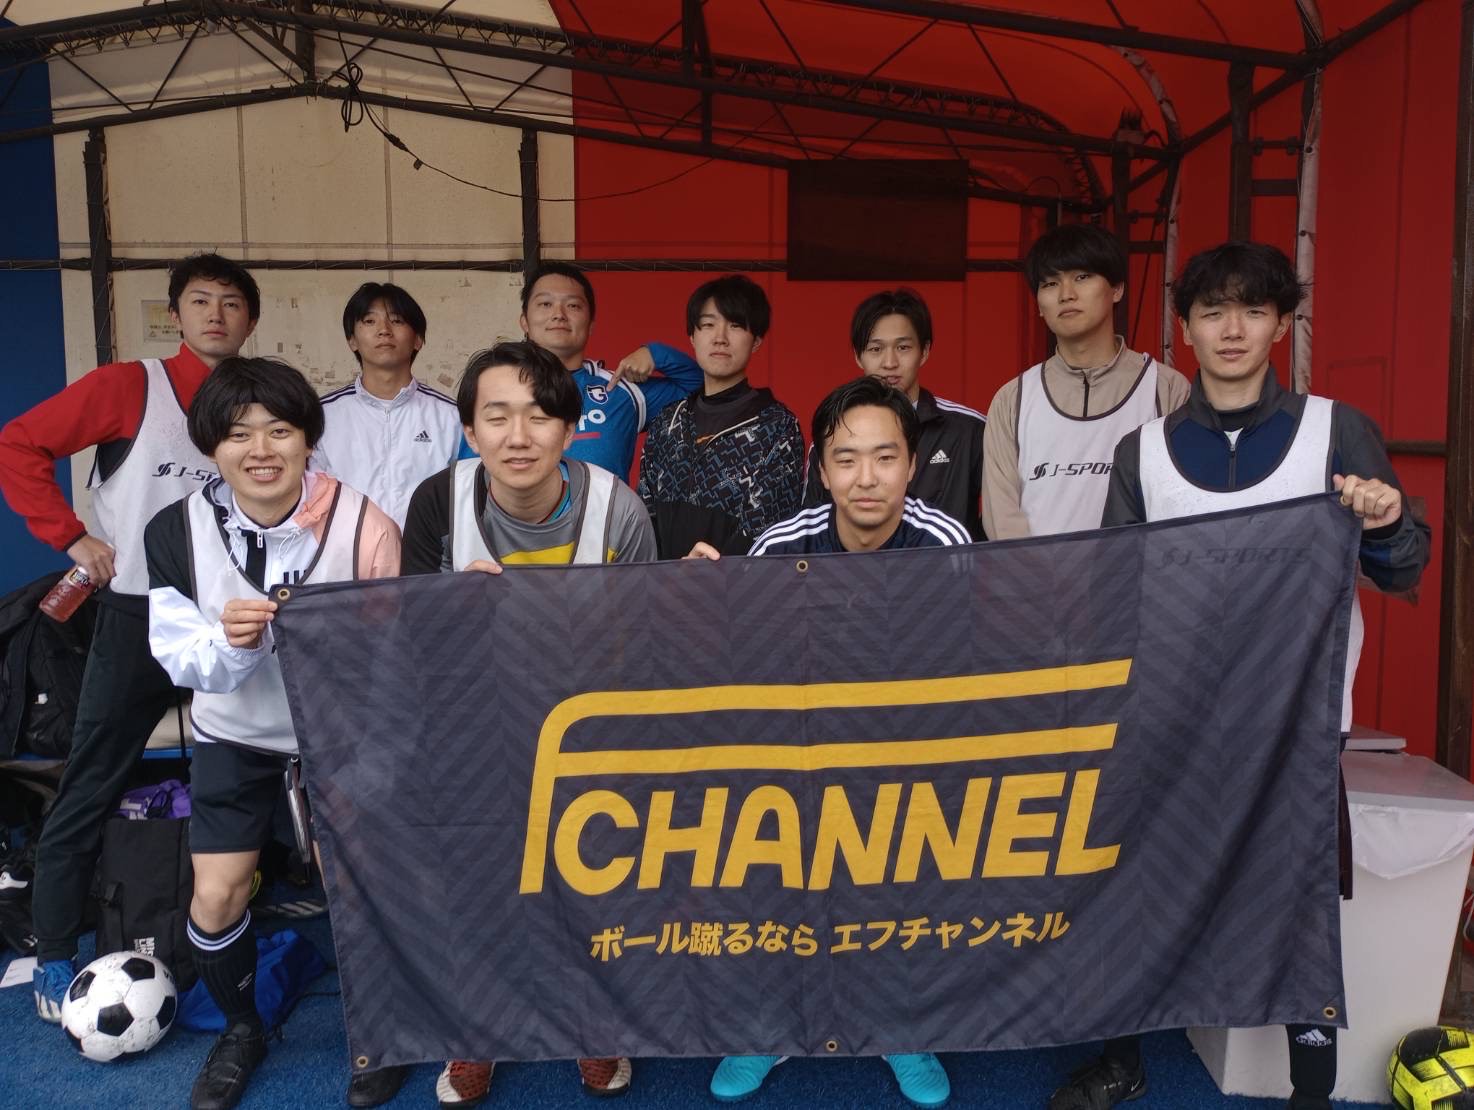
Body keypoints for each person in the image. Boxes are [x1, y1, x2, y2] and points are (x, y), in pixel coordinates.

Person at [1062, 241, 1431, 1110]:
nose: (1233, 329)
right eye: (1213, 311)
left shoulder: (1337, 430)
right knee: (1137, 880)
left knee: (1293, 897)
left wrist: (1384, 522)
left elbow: (1405, 567)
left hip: (1296, 720)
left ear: (1280, 324)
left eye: (1254, 310)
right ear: (1185, 328)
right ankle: (1121, 1056)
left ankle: (1311, 1087)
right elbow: (1112, 594)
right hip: (1167, 715)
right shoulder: (1143, 450)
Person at [688, 375, 966, 1108]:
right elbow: (739, 665)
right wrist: (696, 599)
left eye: (885, 457)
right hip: (799, 757)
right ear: (820, 466)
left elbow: (963, 669)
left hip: (902, 757)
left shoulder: (945, 542)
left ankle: (902, 1028)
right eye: (847, 458)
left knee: (904, 892)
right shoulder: (782, 544)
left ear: (912, 463)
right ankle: (768, 1027)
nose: (866, 477)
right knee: (775, 885)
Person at [0, 253, 260, 1023]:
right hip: (138, 616)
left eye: (232, 303)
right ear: (175, 314)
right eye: (200, 301)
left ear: (251, 320)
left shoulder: (257, 397)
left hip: (233, 623)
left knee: (256, 770)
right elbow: (18, 444)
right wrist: (70, 536)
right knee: (92, 779)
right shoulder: (127, 387)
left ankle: (250, 914)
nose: (216, 314)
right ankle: (54, 951)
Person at [401, 340, 656, 1107]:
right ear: (469, 430)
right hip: (473, 722)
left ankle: (592, 1022)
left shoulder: (619, 508)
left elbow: (645, 644)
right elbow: (410, 635)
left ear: (570, 428)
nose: (518, 435)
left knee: (590, 885)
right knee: (477, 887)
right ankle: (477, 1029)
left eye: (539, 415)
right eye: (497, 416)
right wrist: (452, 613)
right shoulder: (438, 502)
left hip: (587, 726)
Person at [144, 357, 401, 1110]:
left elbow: (394, 655)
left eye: (279, 430)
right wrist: (234, 643)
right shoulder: (176, 529)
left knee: (362, 890)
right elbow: (177, 657)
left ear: (308, 439)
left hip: (343, 736)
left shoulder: (365, 523)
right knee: (217, 896)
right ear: (211, 446)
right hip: (233, 735)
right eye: (238, 433)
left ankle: (381, 1030)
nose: (260, 449)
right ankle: (242, 1028)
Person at [981, 224, 1189, 540]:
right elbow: (1002, 519)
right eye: (1050, 283)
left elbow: (1178, 504)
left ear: (1117, 289)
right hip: (1034, 572)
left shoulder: (1166, 388)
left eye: (1082, 277)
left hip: (1133, 572)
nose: (1066, 294)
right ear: (1038, 304)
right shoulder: (1013, 399)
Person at [636, 274, 805, 557]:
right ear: (692, 336)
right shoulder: (667, 422)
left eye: (735, 325)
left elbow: (768, 533)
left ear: (756, 341)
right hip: (661, 580)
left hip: (738, 581)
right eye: (708, 324)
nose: (720, 338)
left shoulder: (778, 427)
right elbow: (645, 515)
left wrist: (706, 573)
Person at [801, 288, 986, 539]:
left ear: (924, 351)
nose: (890, 363)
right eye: (876, 349)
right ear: (858, 356)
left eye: (903, 347)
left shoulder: (969, 430)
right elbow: (813, 527)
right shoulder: (833, 435)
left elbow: (1002, 514)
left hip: (947, 564)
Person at [518, 261, 703, 482]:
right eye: (545, 304)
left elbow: (701, 387)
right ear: (524, 322)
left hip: (607, 506)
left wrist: (655, 353)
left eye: (573, 306)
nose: (559, 314)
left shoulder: (620, 390)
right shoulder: (498, 390)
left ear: (591, 325)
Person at [313, 281, 462, 526]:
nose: (384, 330)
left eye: (397, 320)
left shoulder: (451, 417)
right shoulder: (321, 416)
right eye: (370, 321)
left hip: (427, 549)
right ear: (352, 340)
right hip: (345, 548)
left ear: (418, 339)